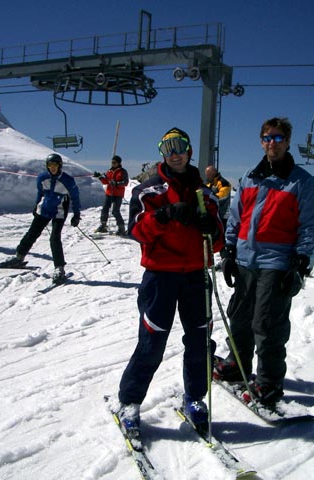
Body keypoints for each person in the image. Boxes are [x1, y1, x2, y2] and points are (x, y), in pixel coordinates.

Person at [117, 127, 224, 436]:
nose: (175, 152)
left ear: (189, 152)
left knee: (199, 342)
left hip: (194, 275)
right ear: (163, 153)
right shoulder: (149, 190)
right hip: (160, 277)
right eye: (168, 147)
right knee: (152, 342)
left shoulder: (204, 193)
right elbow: (136, 231)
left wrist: (212, 230)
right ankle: (130, 401)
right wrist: (164, 215)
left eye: (180, 146)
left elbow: (216, 242)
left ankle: (194, 399)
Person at [214, 117, 314, 406]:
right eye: (266, 137)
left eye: (277, 138)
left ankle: (269, 383)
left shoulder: (301, 181)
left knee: (267, 323)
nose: (271, 143)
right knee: (239, 316)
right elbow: (236, 217)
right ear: (261, 141)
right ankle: (237, 365)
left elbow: (311, 226)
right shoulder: (251, 177)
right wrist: (228, 251)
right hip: (246, 259)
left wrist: (301, 264)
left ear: (287, 142)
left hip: (276, 262)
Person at [0, 153, 81, 284]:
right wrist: (36, 204)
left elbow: (75, 198)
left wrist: (76, 214)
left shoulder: (67, 180)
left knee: (55, 238)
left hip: (59, 211)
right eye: (50, 165)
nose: (52, 167)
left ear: (59, 166)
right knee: (32, 233)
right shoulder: (42, 177)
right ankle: (19, 257)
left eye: (54, 165)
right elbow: (40, 192)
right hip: (44, 209)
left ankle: (59, 268)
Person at [93, 155, 129, 235]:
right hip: (109, 193)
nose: (112, 164)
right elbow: (106, 181)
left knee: (115, 211)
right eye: (112, 162)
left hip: (117, 195)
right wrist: (99, 177)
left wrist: (116, 183)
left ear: (118, 163)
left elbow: (125, 182)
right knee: (104, 209)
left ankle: (121, 228)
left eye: (114, 162)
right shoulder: (109, 171)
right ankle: (103, 225)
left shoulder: (122, 171)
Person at [204, 165, 232, 230]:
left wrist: (208, 198)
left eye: (208, 175)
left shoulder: (224, 183)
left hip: (222, 215)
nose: (206, 177)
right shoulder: (210, 184)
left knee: (221, 236)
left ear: (212, 174)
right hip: (213, 215)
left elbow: (222, 197)